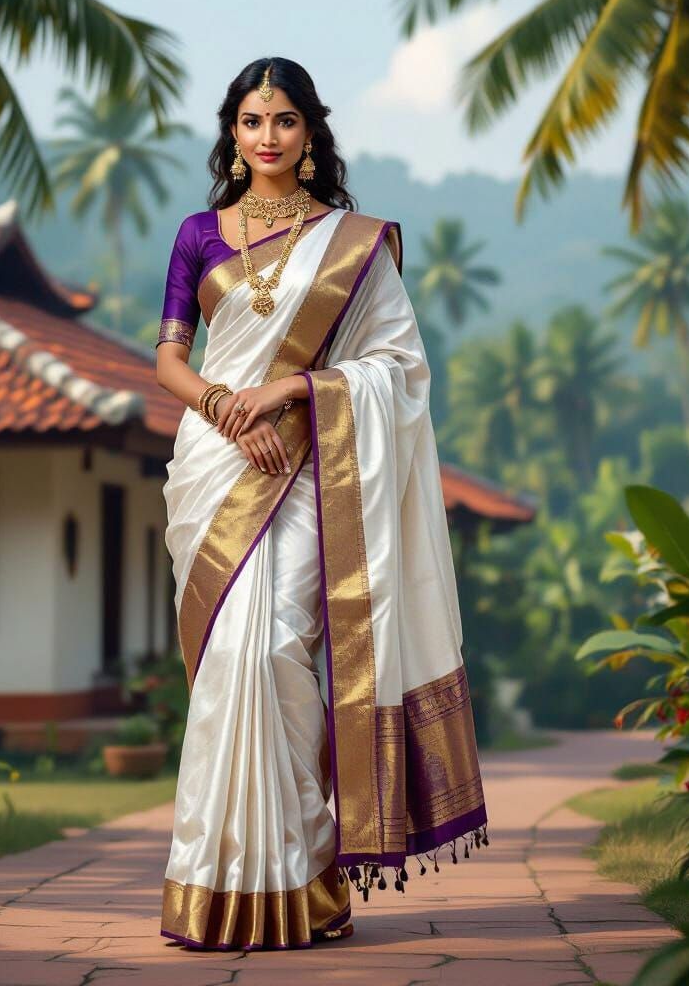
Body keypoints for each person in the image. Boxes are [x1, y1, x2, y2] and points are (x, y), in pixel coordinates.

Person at [154, 57, 489, 952]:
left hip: (310, 472)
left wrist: (294, 390)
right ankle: (217, 884)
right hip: (217, 466)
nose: (268, 136)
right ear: (233, 133)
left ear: (310, 136)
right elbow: (170, 360)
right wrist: (229, 410)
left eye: (286, 120)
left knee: (273, 650)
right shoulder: (199, 234)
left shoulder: (352, 242)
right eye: (253, 120)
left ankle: (304, 878)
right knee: (232, 659)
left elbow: (397, 367)